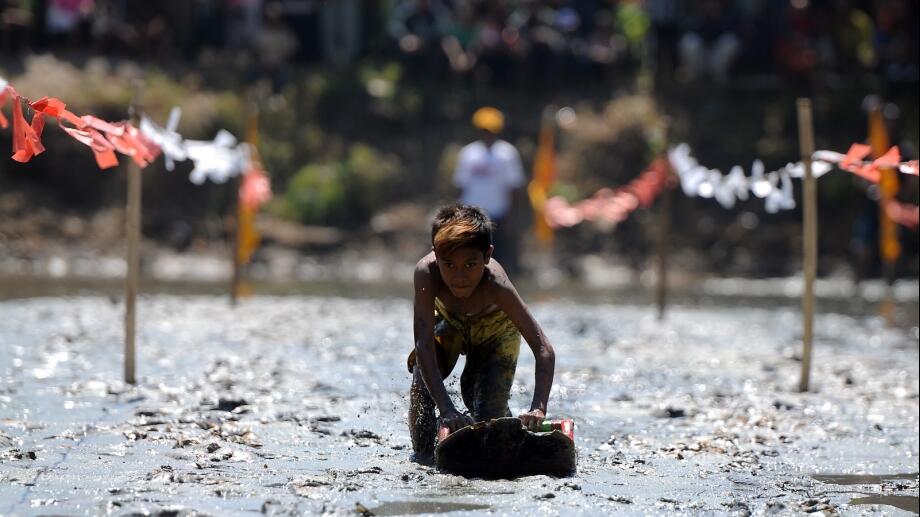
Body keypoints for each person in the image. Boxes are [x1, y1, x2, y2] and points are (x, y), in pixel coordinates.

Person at [407, 204, 556, 463]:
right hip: (450, 326)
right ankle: (424, 456)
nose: (459, 277)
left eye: (470, 264)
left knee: (486, 410)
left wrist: (538, 408)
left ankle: (509, 427)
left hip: (496, 333)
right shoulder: (426, 274)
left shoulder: (496, 286)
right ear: (435, 255)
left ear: (487, 255)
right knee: (422, 385)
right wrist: (447, 410)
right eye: (449, 264)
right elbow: (423, 345)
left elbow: (543, 348)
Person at [453, 107, 526, 274]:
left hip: (497, 216)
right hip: (470, 217)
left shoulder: (507, 154)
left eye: (490, 130)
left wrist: (511, 216)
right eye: (484, 130)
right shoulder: (468, 153)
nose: (487, 134)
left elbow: (514, 187)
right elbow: (460, 185)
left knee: (495, 260)